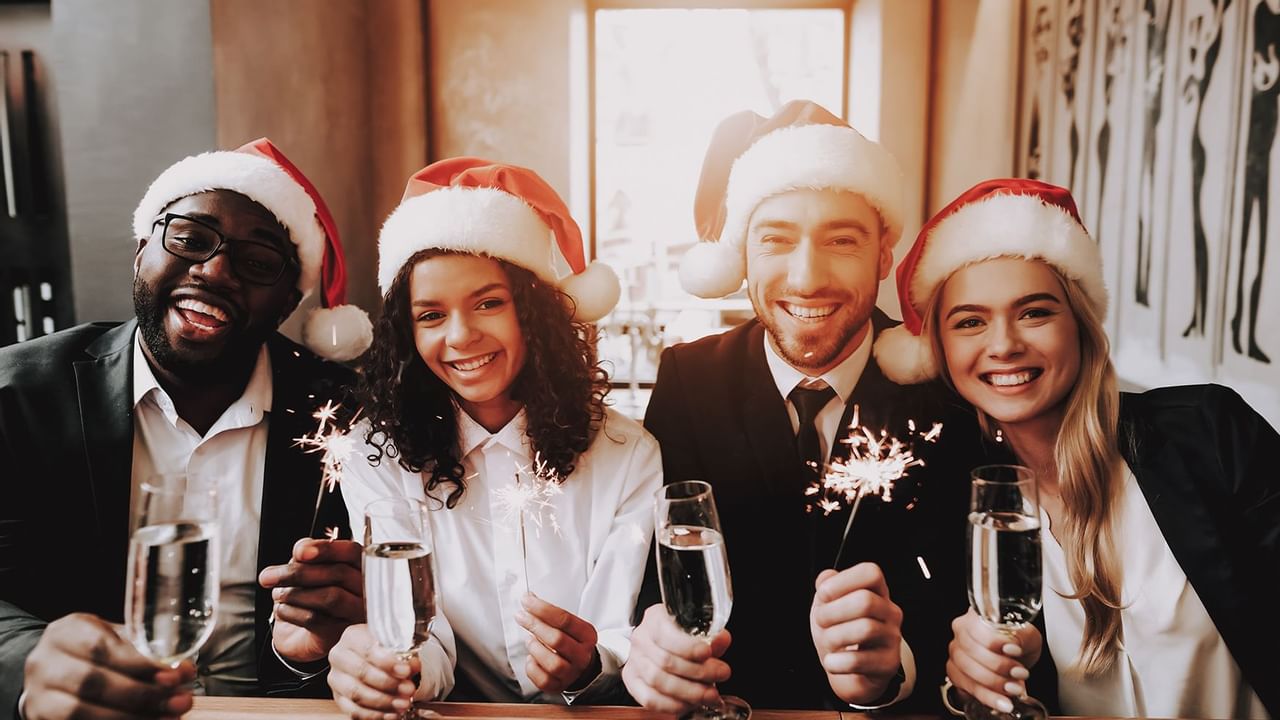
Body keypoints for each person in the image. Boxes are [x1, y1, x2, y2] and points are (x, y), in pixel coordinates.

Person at [626, 100, 999, 714]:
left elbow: (966, 594)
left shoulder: (945, 387)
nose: (807, 278)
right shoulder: (689, 379)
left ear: (884, 255)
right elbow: (657, 572)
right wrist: (651, 643)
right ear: (742, 255)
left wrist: (897, 666)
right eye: (776, 239)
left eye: (841, 240)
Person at [0, 138, 375, 720]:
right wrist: (30, 663)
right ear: (142, 249)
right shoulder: (17, 396)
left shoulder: (350, 416)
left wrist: (326, 648)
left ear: (286, 304)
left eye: (257, 263)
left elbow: (348, 645)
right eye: (191, 239)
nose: (215, 270)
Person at [876, 177, 1278, 718]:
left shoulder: (1208, 432)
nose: (1004, 345)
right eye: (970, 322)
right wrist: (978, 681)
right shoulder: (955, 500)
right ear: (942, 354)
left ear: (1081, 325)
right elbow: (955, 682)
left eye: (1035, 312)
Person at [326, 157, 662, 716]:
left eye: (488, 303)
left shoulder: (627, 455)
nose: (461, 336)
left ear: (534, 313)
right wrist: (394, 668)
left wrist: (586, 664)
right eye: (431, 315)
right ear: (406, 334)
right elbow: (417, 633)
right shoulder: (371, 455)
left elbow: (614, 641)